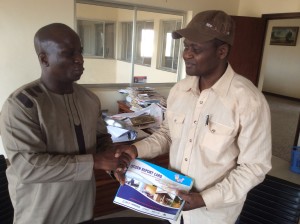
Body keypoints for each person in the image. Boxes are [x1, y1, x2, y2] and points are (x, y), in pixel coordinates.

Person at [115, 10, 272, 224]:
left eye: (195, 48)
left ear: (222, 51)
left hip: (212, 215)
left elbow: (254, 167)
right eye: (186, 46)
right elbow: (169, 135)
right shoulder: (180, 90)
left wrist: (204, 198)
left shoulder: (249, 101)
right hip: (171, 205)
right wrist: (135, 150)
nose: (186, 54)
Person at [0, 23, 130, 224]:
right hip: (41, 215)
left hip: (83, 208)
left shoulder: (89, 98)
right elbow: (28, 167)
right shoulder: (22, 105)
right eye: (68, 54)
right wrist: (95, 161)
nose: (79, 59)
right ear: (44, 59)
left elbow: (101, 138)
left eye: (80, 52)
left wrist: (114, 162)